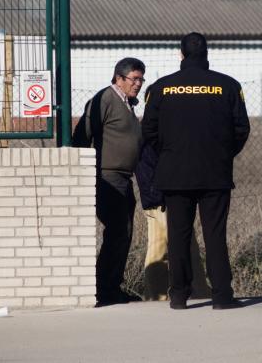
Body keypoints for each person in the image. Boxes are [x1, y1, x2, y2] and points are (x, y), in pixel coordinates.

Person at [141, 32, 250, 310]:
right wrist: (222, 155)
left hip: (175, 174)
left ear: (181, 55)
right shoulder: (228, 86)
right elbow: (241, 130)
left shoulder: (161, 88)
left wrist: (169, 154)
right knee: (215, 234)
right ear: (206, 54)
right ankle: (222, 296)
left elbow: (149, 131)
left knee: (178, 236)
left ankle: (178, 295)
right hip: (215, 173)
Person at [72, 57, 146, 307]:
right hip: (108, 177)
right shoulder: (105, 99)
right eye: (134, 79)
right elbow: (83, 134)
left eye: (141, 79)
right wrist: (85, 171)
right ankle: (104, 289)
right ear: (119, 78)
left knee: (123, 233)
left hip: (123, 177)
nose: (138, 84)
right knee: (117, 231)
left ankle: (112, 286)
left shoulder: (127, 103)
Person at [135, 140, 211, 301]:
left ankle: (157, 294)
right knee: (181, 244)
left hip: (159, 196)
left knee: (164, 245)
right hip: (161, 197)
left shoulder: (151, 132)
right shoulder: (155, 135)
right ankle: (197, 291)